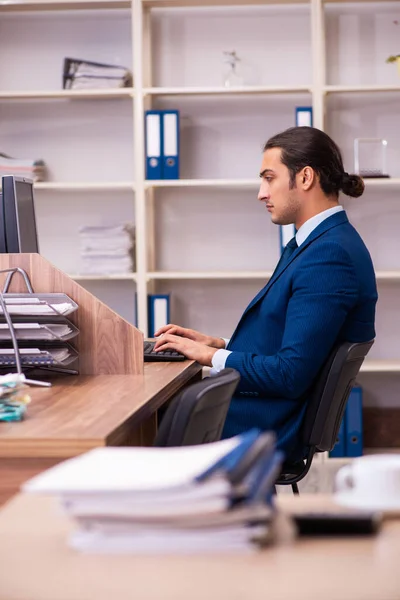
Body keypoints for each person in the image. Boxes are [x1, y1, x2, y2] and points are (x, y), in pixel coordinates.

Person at [154, 126, 378, 462]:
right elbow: (295, 346)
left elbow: (289, 375)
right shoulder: (318, 244)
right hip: (267, 411)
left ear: (305, 178)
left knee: (139, 419)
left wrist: (209, 358)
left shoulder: (329, 256)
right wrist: (220, 346)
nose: (261, 193)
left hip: (269, 423)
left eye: (269, 178)